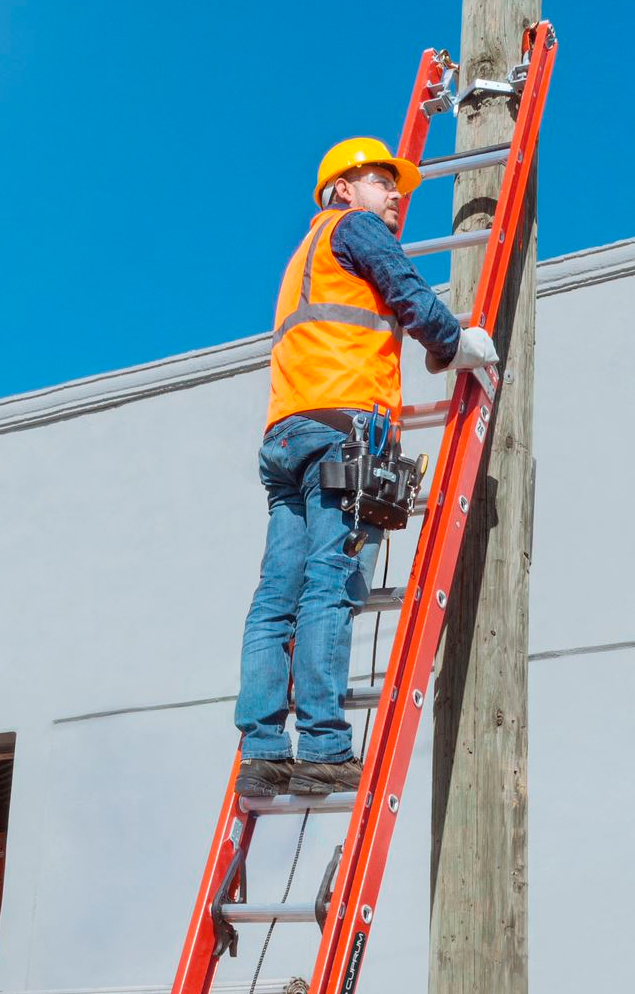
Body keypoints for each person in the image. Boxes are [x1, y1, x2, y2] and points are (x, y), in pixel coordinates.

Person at [233, 137, 499, 797]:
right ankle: (323, 745)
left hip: (288, 432)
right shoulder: (354, 229)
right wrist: (452, 345)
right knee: (330, 586)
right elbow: (405, 286)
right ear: (344, 188)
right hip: (345, 427)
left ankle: (263, 751)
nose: (397, 196)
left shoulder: (306, 251)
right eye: (385, 182)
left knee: (275, 600)